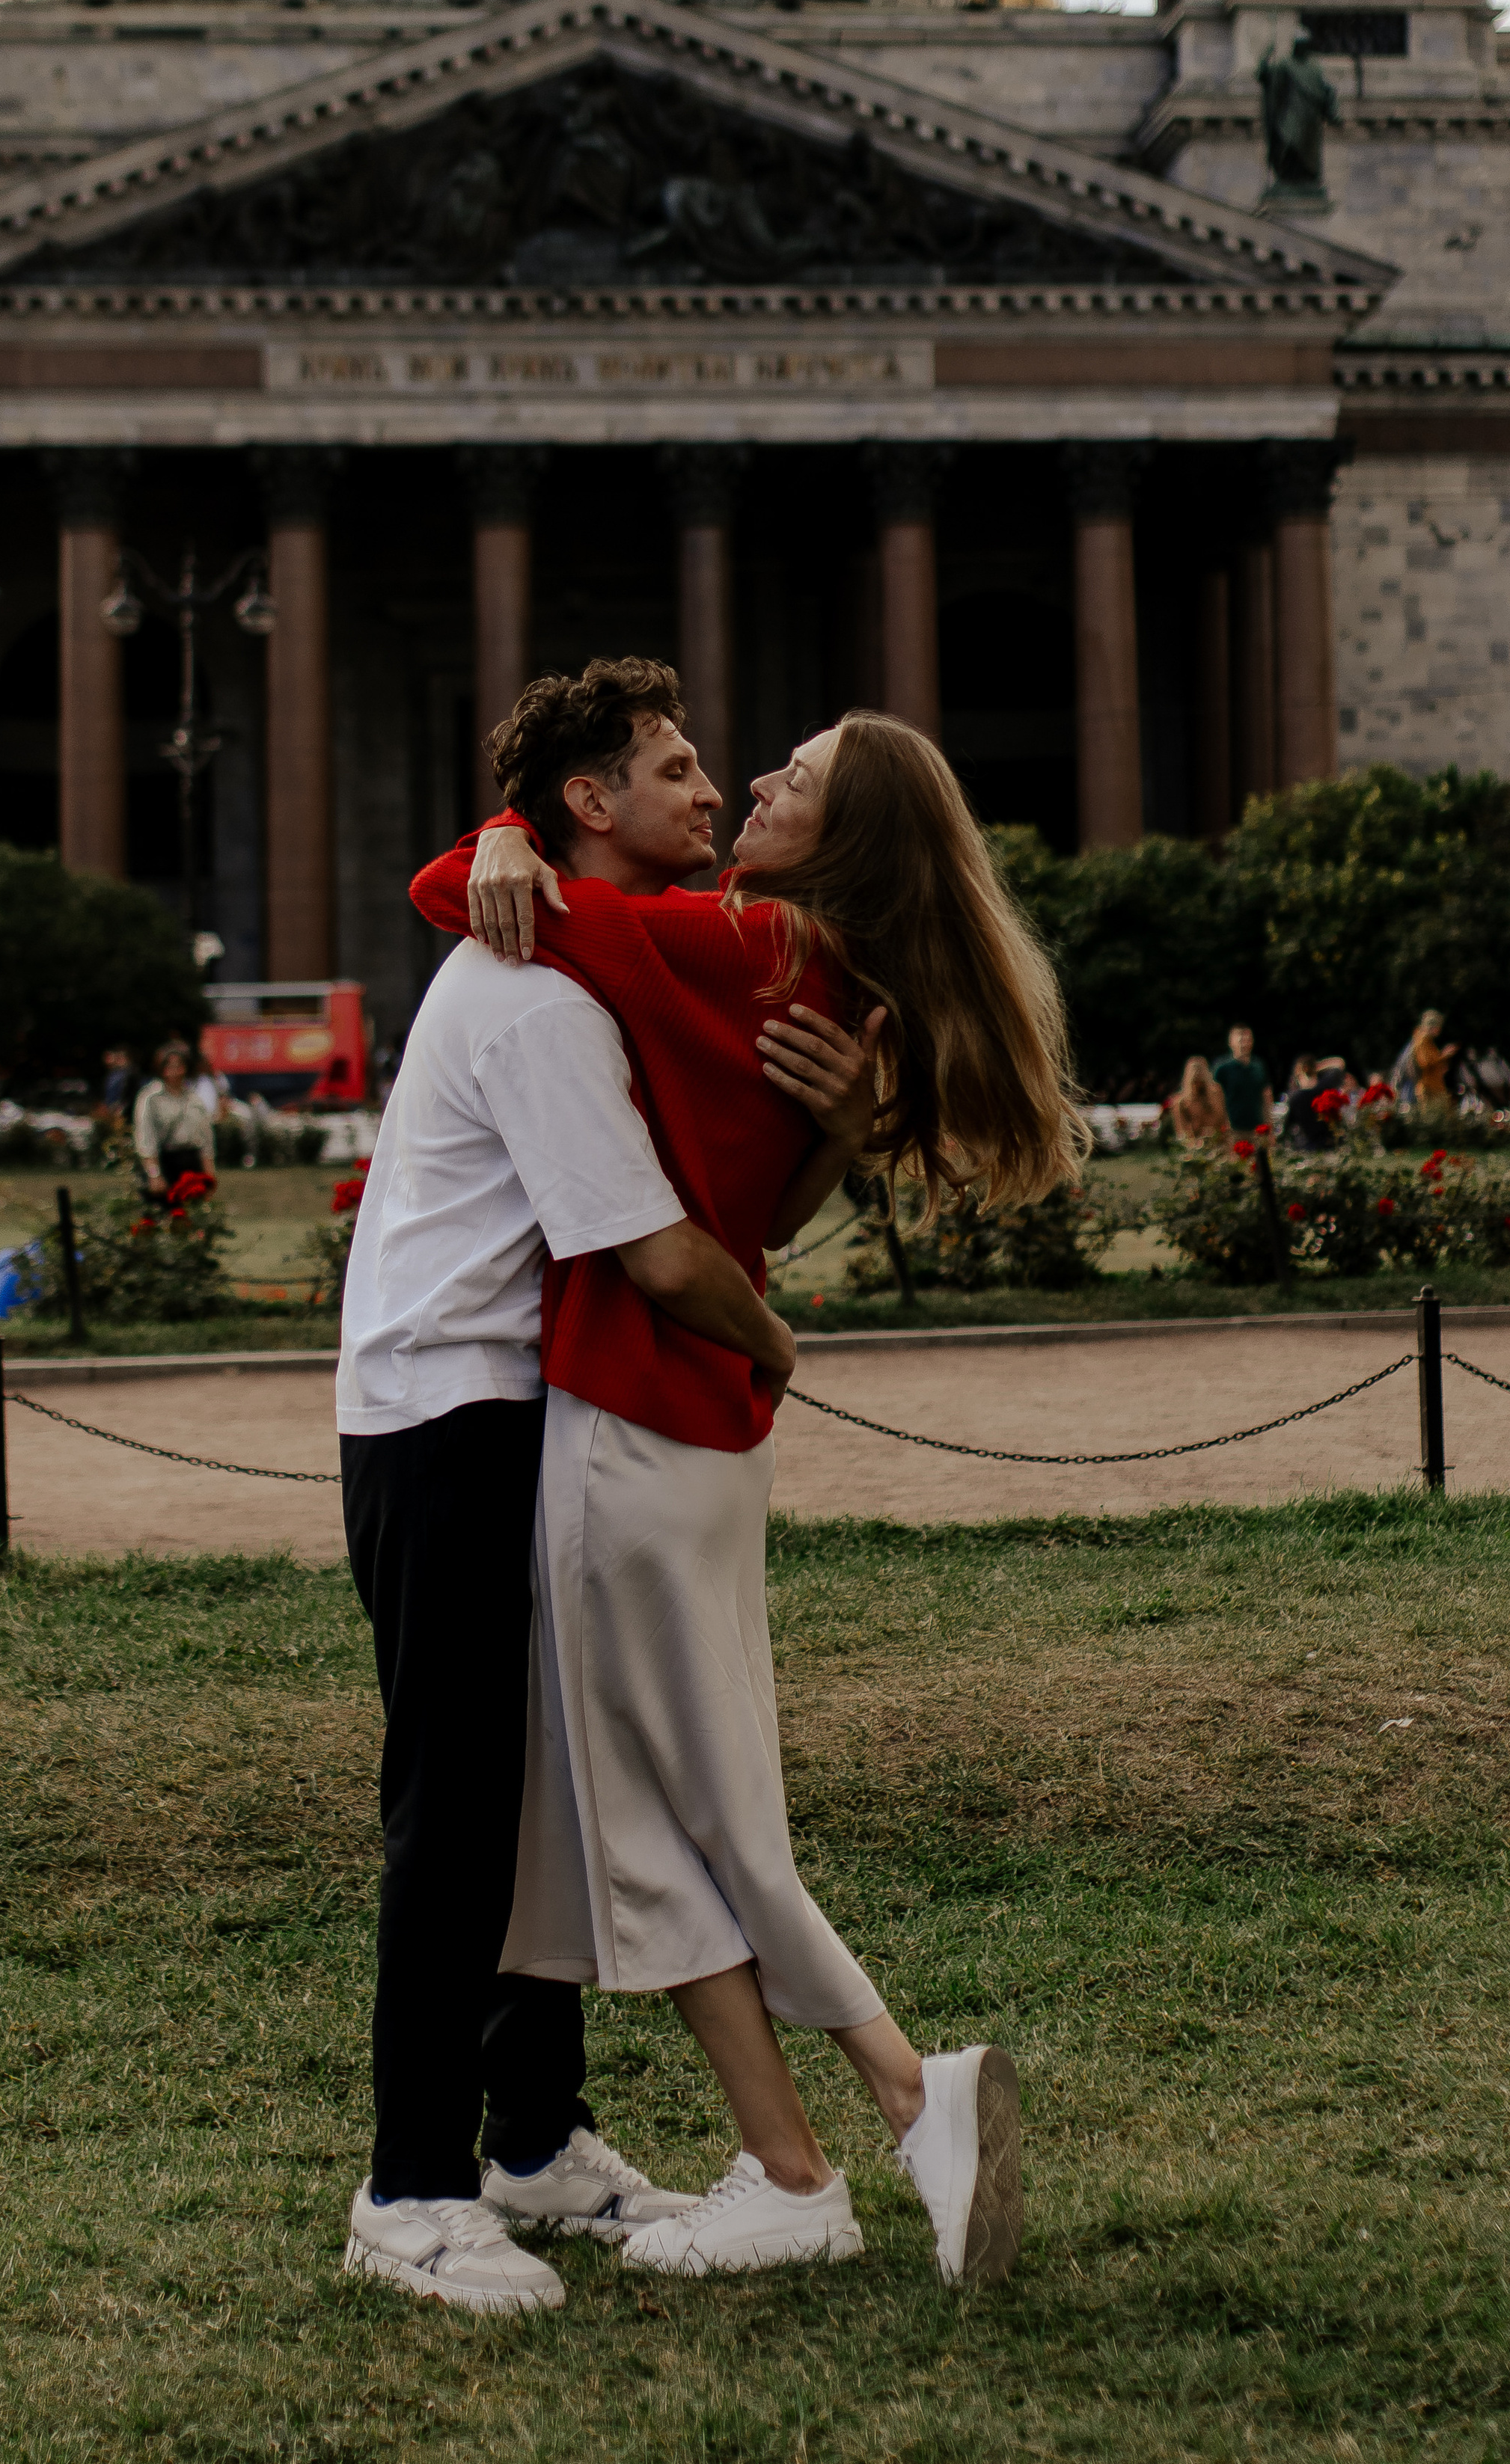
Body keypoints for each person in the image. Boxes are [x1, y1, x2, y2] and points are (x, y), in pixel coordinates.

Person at [418, 693, 1088, 2290]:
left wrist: (505, 830)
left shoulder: (730, 943)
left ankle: (867, 2122)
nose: (752, 783)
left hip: (633, 1412)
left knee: (664, 1824)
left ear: (841, 838)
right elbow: (764, 1206)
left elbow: (458, 892)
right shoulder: (834, 981)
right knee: (695, 1809)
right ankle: (834, 2139)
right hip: (706, 1433)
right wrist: (836, 1145)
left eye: (795, 779)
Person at [336, 659, 881, 2318]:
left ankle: (532, 2142)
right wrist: (775, 1350)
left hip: (504, 1407)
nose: (713, 791)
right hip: (447, 1417)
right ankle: (410, 2190)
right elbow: (655, 1251)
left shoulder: (596, 959)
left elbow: (734, 1206)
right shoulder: (541, 1000)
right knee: (455, 1812)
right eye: (675, 768)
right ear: (590, 803)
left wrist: (841, 1126)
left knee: (533, 1791)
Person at [132, 1040, 216, 1193]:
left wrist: (209, 1173)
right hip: (165, 1160)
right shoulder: (151, 1098)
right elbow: (146, 1138)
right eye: (170, 1066)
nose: (175, 1071)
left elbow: (206, 1139)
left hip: (191, 1161)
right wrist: (154, 1174)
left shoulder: (194, 1099)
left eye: (180, 1065)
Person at [1211, 1024, 1273, 1136]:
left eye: (1248, 1040)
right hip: (1232, 1129)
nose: (1244, 1044)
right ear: (1231, 1043)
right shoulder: (1222, 1068)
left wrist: (1269, 1126)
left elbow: (1266, 1096)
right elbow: (1216, 1098)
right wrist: (1223, 1125)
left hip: (1257, 1129)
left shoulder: (1258, 1066)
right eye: (1241, 1040)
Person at [1170, 1055, 1230, 1144]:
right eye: (1195, 1082)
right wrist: (1196, 1143)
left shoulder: (1217, 1094)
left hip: (1219, 1143)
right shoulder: (1181, 1102)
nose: (1198, 1085)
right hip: (1195, 1146)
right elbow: (1182, 1133)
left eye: (1201, 1081)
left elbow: (1225, 1122)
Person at [1411, 1009, 1459, 1108]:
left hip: (1435, 1087)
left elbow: (1433, 1061)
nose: (1439, 1030)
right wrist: (1444, 1055)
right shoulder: (1422, 1041)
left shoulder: (1428, 1042)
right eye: (1438, 1027)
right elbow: (1425, 1063)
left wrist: (1443, 1062)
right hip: (1429, 1089)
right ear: (1432, 1027)